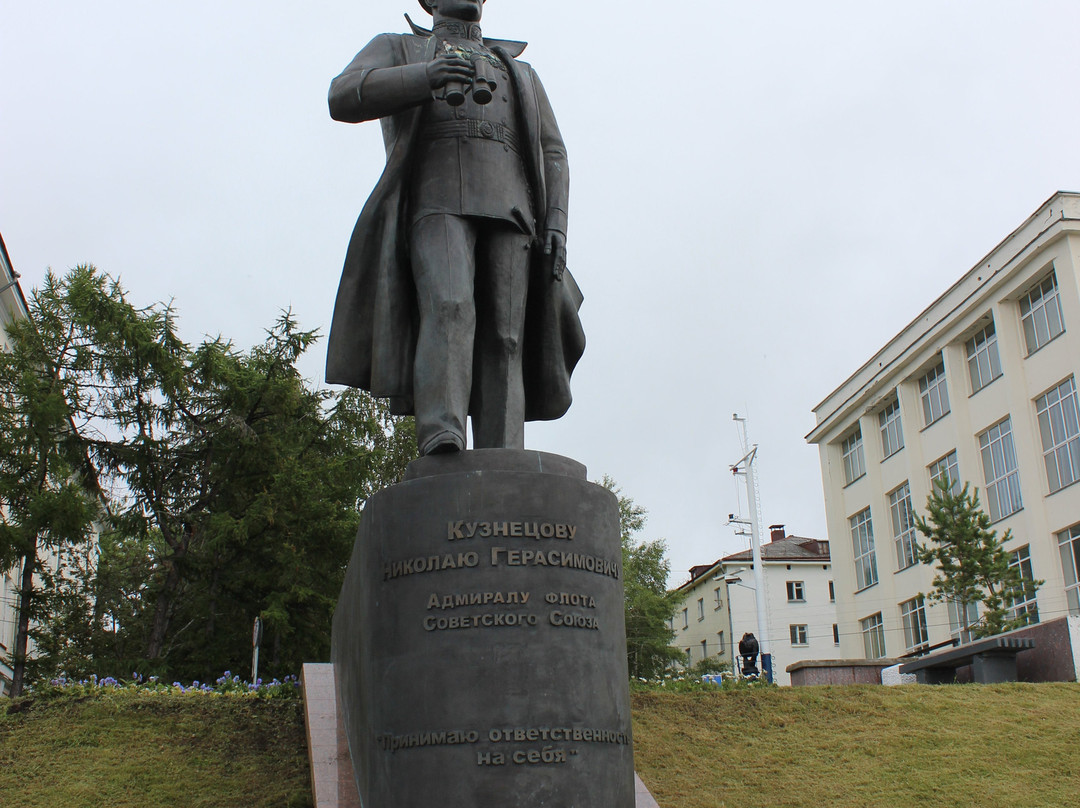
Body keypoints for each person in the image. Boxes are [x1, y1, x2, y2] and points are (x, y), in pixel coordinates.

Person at [325, 0, 584, 456]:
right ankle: (442, 432)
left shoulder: (517, 69)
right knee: (449, 306)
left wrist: (557, 222)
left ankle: (502, 451)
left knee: (507, 336)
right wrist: (427, 76)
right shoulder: (402, 47)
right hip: (435, 198)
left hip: (513, 208)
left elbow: (552, 150)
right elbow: (343, 95)